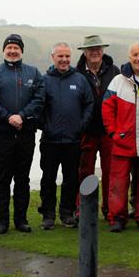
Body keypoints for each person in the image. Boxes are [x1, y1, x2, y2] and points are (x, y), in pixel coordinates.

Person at [0, 34, 45, 234]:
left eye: (16, 48)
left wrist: (22, 116)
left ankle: (21, 220)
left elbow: (39, 99)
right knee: (2, 179)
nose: (12, 51)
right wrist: (9, 117)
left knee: (23, 179)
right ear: (4, 51)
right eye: (9, 47)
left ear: (21, 51)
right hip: (3, 134)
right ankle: (2, 221)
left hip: (26, 133)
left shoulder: (33, 73)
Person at [102, 43, 139, 232]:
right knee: (118, 182)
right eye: (135, 54)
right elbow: (107, 108)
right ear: (129, 57)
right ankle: (117, 218)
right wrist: (112, 132)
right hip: (123, 141)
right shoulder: (118, 81)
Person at [38, 43, 93, 230]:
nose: (64, 60)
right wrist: (45, 126)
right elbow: (37, 107)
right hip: (50, 141)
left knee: (71, 179)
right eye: (60, 56)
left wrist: (81, 126)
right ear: (52, 57)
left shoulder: (79, 79)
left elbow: (89, 105)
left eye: (67, 56)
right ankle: (48, 214)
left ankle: (67, 213)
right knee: (48, 179)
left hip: (73, 140)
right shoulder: (44, 80)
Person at [76, 35, 119, 221]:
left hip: (109, 131)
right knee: (85, 171)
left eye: (98, 49)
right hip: (86, 131)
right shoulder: (77, 73)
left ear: (103, 51)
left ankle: (110, 209)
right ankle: (83, 208)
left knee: (111, 171)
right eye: (91, 50)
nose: (95, 52)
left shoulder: (115, 72)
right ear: (85, 52)